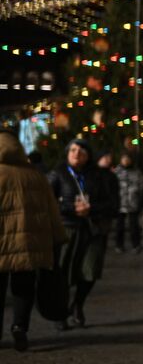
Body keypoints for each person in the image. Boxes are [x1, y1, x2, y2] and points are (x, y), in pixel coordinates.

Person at [0, 131, 68, 351]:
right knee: (23, 287)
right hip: (29, 244)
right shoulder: (34, 175)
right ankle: (20, 326)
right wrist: (58, 237)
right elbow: (52, 210)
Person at [49, 137, 117, 329]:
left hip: (92, 228)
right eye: (73, 150)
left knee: (90, 270)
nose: (76, 154)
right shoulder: (58, 174)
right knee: (63, 273)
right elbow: (47, 201)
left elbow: (111, 203)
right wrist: (70, 208)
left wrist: (92, 208)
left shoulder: (98, 176)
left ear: (88, 156)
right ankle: (60, 313)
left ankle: (77, 304)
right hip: (67, 228)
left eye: (81, 151)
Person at [112, 150, 143, 254]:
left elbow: (141, 186)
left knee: (134, 226)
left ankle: (136, 245)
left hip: (132, 203)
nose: (126, 161)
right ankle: (119, 245)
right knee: (119, 227)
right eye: (124, 158)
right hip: (120, 203)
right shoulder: (116, 172)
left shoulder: (136, 172)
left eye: (128, 158)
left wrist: (138, 198)